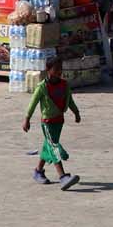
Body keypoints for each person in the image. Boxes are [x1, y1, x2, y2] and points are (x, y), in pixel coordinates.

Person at [22, 61, 81, 189]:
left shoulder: (64, 85)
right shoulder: (42, 87)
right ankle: (63, 177)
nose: (59, 72)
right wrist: (27, 118)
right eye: (56, 69)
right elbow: (33, 103)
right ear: (48, 70)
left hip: (59, 122)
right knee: (54, 147)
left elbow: (69, 100)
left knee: (48, 146)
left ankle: (38, 171)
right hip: (47, 123)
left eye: (61, 69)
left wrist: (76, 112)